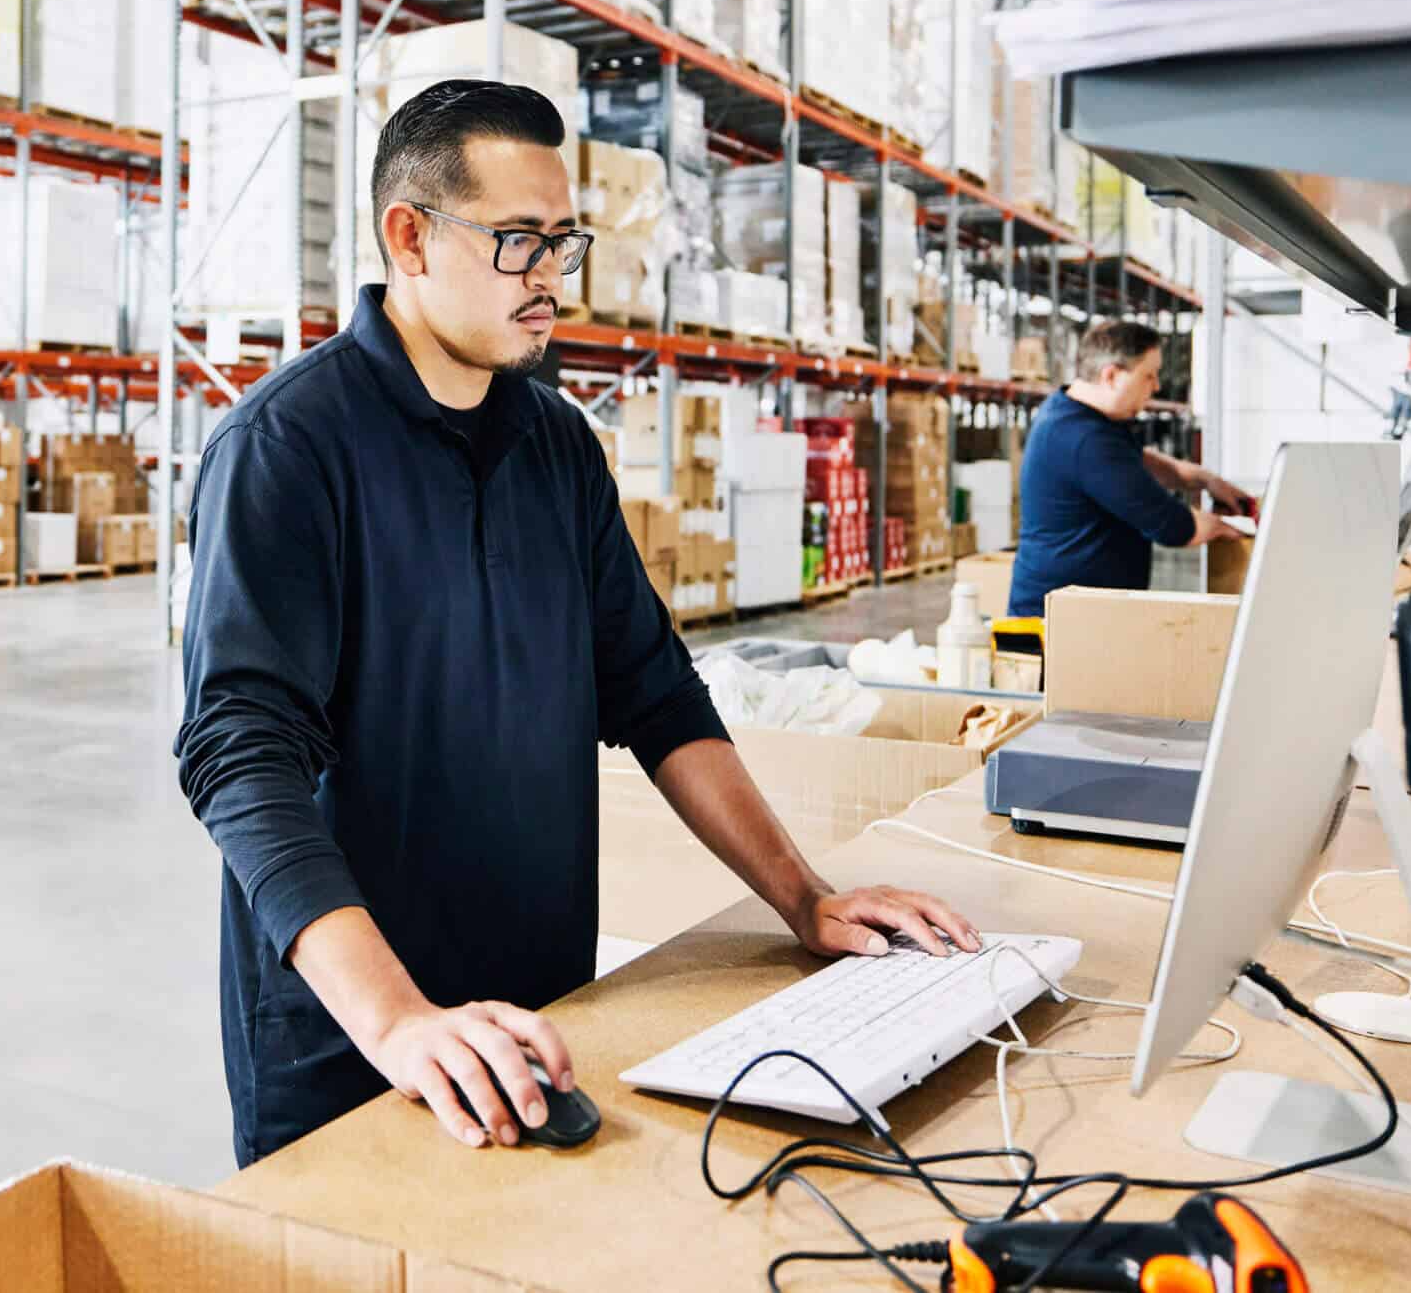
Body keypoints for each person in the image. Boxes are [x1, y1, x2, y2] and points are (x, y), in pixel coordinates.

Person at [173, 79, 982, 1169]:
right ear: (407, 237)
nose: (551, 278)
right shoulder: (288, 448)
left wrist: (806, 899)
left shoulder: (556, 448)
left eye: (563, 242)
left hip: (546, 1014)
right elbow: (241, 757)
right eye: (517, 243)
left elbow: (654, 691)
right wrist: (398, 1020)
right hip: (355, 1040)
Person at [1007, 318, 1254, 619]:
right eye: (1148, 375)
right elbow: (1176, 527)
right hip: (1058, 623)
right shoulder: (1085, 440)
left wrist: (1206, 480)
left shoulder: (1073, 411)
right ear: (1111, 376)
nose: (1156, 386)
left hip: (1081, 613)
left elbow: (1137, 461)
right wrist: (1231, 528)